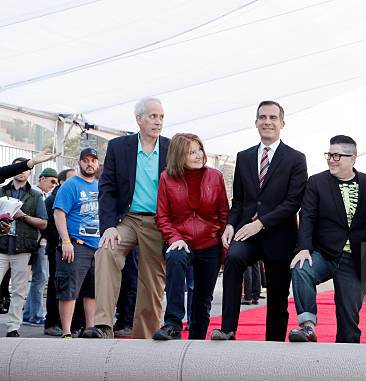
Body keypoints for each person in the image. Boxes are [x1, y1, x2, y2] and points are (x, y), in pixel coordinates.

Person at [211, 101, 307, 341]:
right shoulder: (243, 157)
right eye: (262, 117)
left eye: (273, 118)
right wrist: (231, 224)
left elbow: (293, 202)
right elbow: (239, 200)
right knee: (233, 259)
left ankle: (273, 343)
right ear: (256, 123)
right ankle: (228, 328)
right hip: (247, 233)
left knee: (277, 294)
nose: (267, 122)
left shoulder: (296, 158)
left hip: (279, 235)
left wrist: (261, 222)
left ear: (282, 124)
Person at [81, 97, 169, 339]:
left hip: (158, 222)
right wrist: (108, 226)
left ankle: (145, 337)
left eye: (161, 117)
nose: (158, 121)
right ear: (138, 119)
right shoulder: (119, 147)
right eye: (153, 116)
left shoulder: (172, 148)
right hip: (127, 219)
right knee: (106, 252)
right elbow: (106, 189)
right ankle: (103, 326)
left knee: (152, 280)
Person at [288, 135, 366, 343]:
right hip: (324, 253)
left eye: (337, 155)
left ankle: (347, 365)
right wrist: (304, 248)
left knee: (349, 324)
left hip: (356, 259)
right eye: (329, 155)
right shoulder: (317, 182)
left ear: (353, 158)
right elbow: (307, 216)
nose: (331, 159)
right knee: (301, 269)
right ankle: (307, 327)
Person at [153, 133, 228, 340]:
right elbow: (162, 216)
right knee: (175, 259)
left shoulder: (215, 176)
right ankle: (173, 324)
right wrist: (174, 238)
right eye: (191, 152)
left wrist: (223, 249)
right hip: (181, 241)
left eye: (199, 150)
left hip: (210, 242)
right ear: (179, 155)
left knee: (203, 299)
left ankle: (196, 341)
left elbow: (223, 214)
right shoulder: (166, 178)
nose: (198, 155)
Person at [53, 148, 100, 338]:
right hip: (76, 245)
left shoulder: (100, 186)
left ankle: (90, 329)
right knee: (69, 291)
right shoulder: (71, 185)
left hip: (97, 247)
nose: (90, 164)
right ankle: (66, 332)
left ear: (98, 164)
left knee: (93, 292)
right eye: (86, 160)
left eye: (93, 160)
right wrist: (65, 240)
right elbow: (59, 213)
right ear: (79, 163)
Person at [0, 158, 48, 337]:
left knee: (19, 291)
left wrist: (23, 216)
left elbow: (43, 223)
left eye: (25, 169)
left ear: (29, 173)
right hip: (1, 247)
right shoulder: (1, 191)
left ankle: (13, 327)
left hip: (23, 249)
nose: (21, 172)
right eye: (18, 168)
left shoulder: (35, 196)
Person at [43, 168, 77, 336]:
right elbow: (48, 226)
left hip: (75, 247)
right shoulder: (51, 200)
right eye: (71, 179)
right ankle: (52, 323)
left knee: (73, 287)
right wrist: (63, 241)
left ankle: (75, 324)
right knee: (57, 286)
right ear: (62, 181)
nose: (75, 182)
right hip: (58, 248)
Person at [23, 167, 59, 326]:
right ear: (42, 178)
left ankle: (29, 313)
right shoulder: (37, 195)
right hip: (37, 242)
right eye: (52, 181)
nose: (53, 184)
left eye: (56, 182)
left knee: (38, 278)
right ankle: (35, 314)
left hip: (36, 241)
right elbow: (43, 222)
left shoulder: (43, 195)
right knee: (40, 279)